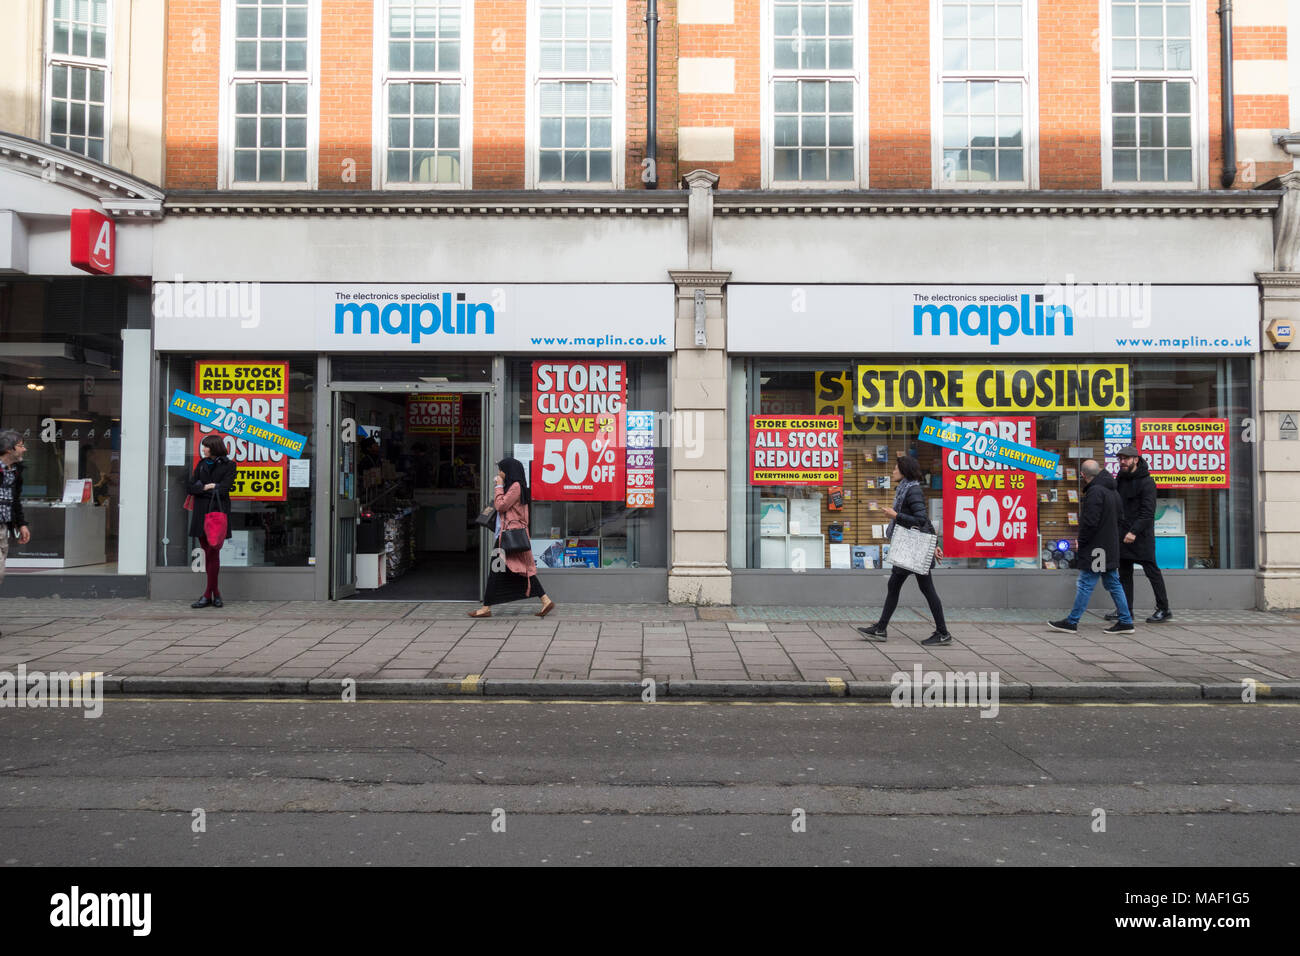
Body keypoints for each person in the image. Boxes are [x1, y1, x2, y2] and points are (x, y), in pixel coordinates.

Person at [857, 454, 951, 646]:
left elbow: (921, 520)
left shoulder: (912, 490)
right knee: (898, 586)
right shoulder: (905, 489)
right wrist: (935, 545)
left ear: (904, 470)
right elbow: (924, 520)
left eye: (895, 468)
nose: (892, 471)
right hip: (910, 549)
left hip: (912, 550)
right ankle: (881, 628)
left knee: (924, 590)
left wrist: (896, 515)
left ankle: (942, 632)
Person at [1049, 459, 1134, 634]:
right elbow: (1120, 519)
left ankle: (1072, 622)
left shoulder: (1095, 492)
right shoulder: (1113, 491)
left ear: (1082, 475)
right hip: (1108, 546)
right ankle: (1126, 621)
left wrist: (1082, 541)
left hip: (1097, 548)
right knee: (1113, 582)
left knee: (1085, 583)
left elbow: (1089, 522)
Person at [469, 456, 555, 619]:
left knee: (497, 570)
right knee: (516, 571)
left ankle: (486, 608)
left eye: (501, 470)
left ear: (508, 470)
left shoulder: (515, 487)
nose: (499, 473)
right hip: (506, 536)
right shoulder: (516, 486)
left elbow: (501, 505)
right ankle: (545, 599)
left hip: (509, 538)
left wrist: (499, 486)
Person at [1107, 445, 1172, 623]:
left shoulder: (1147, 482)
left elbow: (1148, 512)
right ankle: (1126, 610)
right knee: (1124, 574)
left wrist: (1134, 532)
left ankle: (1164, 609)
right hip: (1122, 534)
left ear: (1136, 459)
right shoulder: (1120, 478)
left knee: (1152, 572)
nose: (1122, 462)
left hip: (1141, 536)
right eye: (1120, 459)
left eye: (1126, 459)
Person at [188, 434, 236, 609]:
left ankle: (208, 595)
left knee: (213, 552)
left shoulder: (229, 465)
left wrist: (205, 487)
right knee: (207, 553)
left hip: (216, 513)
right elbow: (191, 487)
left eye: (206, 446)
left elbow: (225, 489)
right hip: (201, 513)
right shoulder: (201, 464)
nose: (203, 449)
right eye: (203, 446)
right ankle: (215, 595)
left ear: (214, 447)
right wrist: (209, 487)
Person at [0, 429, 32, 638]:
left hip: (3, 528)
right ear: (9, 448)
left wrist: (21, 524)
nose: (24, 449)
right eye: (21, 445)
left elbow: (15, 500)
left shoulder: (15, 472)